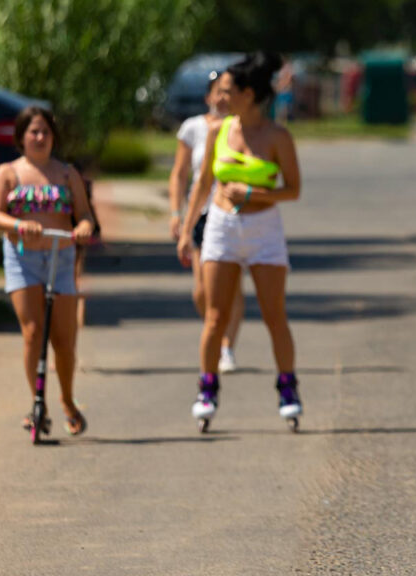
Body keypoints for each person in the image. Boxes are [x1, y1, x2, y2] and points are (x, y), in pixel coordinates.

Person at [176, 52, 303, 424]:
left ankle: (287, 385)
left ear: (248, 94)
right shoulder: (218, 130)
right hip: (222, 227)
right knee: (214, 316)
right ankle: (207, 387)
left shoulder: (277, 136)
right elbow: (202, 183)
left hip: (264, 229)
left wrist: (252, 194)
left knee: (273, 315)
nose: (221, 97)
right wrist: (186, 230)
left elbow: (293, 190)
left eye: (228, 90)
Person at [0, 106, 96, 435]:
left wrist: (84, 229)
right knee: (33, 332)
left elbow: (85, 215)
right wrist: (19, 225)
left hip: (60, 259)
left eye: (45, 132)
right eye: (33, 131)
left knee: (64, 340)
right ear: (21, 136)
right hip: (23, 259)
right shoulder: (7, 173)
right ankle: (38, 403)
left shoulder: (67, 174)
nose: (39, 137)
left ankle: (67, 399)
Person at [168, 70, 245, 373]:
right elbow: (181, 174)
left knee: (232, 286)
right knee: (202, 290)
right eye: (218, 92)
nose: (223, 98)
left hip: (234, 213)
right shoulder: (194, 128)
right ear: (208, 96)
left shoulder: (241, 127)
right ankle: (215, 328)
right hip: (202, 213)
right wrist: (177, 214)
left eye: (228, 92)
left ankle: (226, 346)